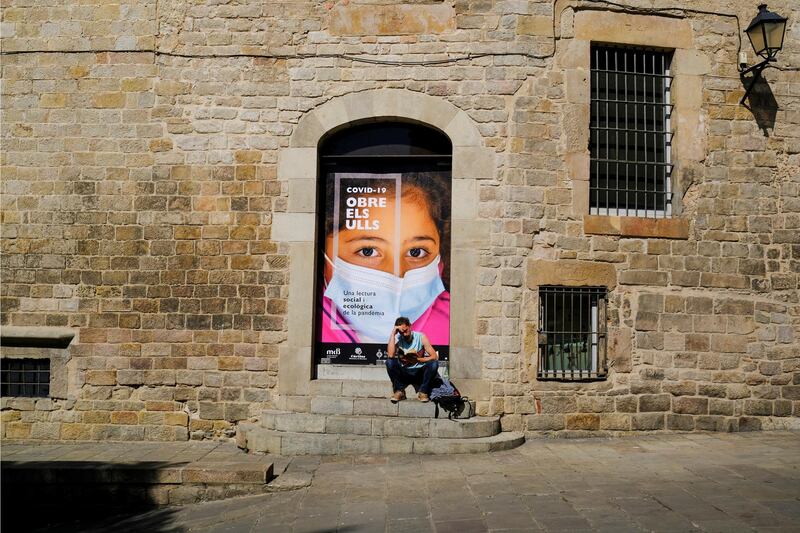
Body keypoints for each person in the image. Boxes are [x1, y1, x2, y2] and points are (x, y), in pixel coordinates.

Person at [320, 173, 450, 345]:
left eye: (416, 252)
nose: (396, 274)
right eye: (367, 251)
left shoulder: (453, 324)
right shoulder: (308, 324)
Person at [385, 316, 439, 403]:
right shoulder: (398, 339)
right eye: (401, 333)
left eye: (406, 331)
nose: (404, 334)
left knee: (434, 364)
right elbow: (391, 355)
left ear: (410, 326)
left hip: (419, 372)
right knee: (389, 362)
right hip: (404, 372)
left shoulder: (421, 337)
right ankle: (399, 391)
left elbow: (434, 357)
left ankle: (423, 391)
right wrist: (393, 334)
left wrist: (418, 360)